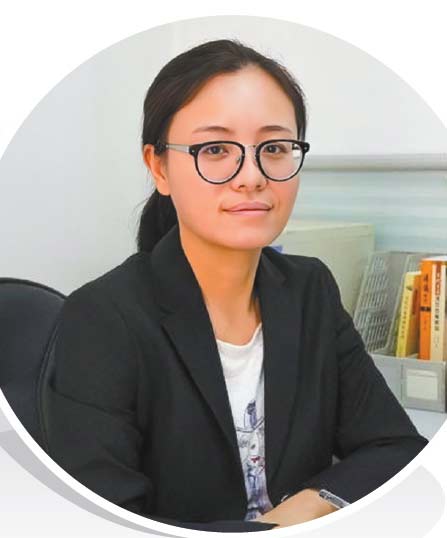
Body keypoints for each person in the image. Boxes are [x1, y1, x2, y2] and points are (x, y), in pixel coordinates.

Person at [42, 39, 429, 532]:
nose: (251, 177)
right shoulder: (102, 318)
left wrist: (307, 506)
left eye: (274, 148)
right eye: (216, 150)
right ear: (159, 167)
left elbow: (396, 447)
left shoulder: (310, 289)